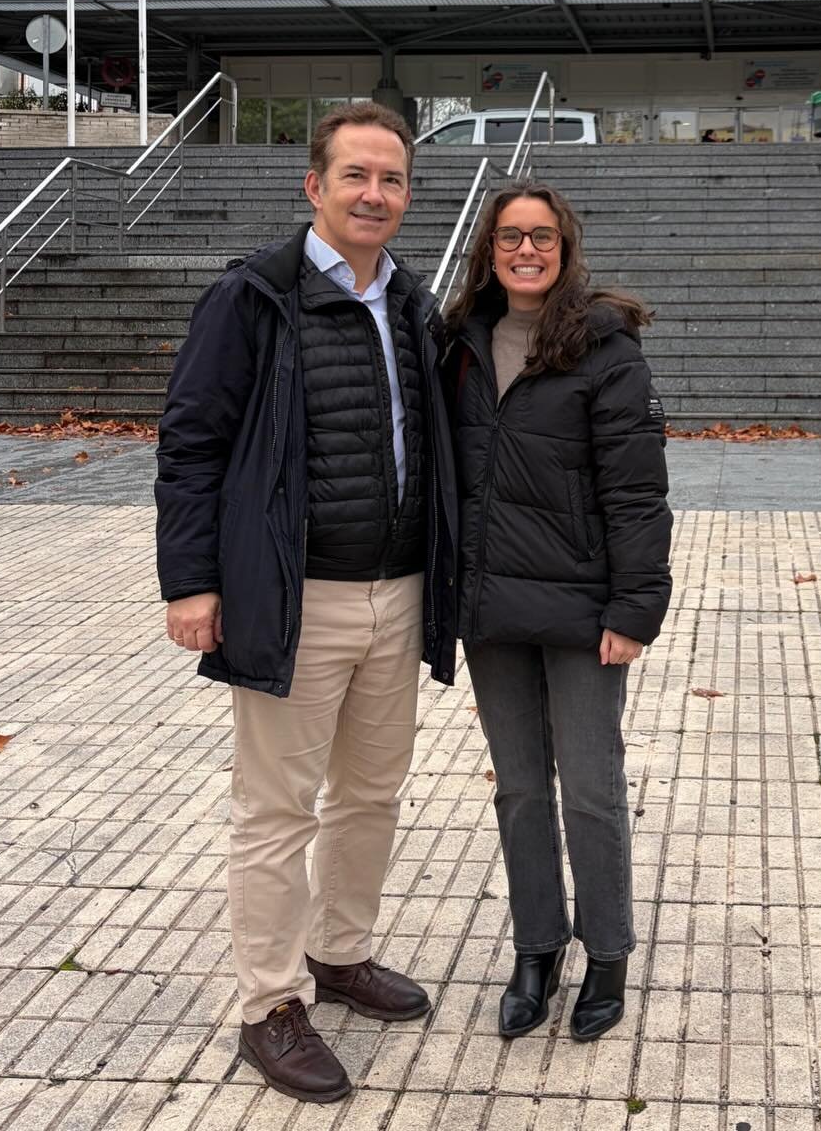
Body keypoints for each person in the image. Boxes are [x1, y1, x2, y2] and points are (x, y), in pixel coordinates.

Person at [155, 101, 457, 1104]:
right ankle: (269, 1001)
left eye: (393, 179)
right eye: (356, 175)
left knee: (371, 794)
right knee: (278, 808)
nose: (376, 193)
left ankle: (341, 952)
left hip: (400, 589)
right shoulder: (253, 296)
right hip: (295, 595)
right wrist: (191, 579)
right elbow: (191, 442)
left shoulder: (411, 299)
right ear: (315, 186)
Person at [444, 182, 672, 1043]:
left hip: (584, 610)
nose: (526, 250)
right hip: (492, 607)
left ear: (566, 247)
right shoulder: (460, 341)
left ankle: (606, 953)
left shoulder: (606, 348)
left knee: (590, 789)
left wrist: (634, 607)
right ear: (489, 248)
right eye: (510, 236)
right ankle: (535, 951)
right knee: (518, 790)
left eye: (541, 236)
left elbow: (638, 494)